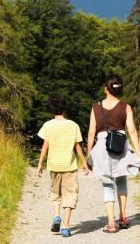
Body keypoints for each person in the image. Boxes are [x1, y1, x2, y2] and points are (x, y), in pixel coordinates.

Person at [85, 74, 140, 233]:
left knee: (107, 183)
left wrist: (88, 155)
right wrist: (138, 155)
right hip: (120, 144)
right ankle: (123, 217)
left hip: (103, 147)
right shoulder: (125, 107)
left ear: (106, 89)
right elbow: (131, 131)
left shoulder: (96, 107)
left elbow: (91, 133)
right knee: (121, 180)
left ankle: (111, 223)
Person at [37, 97, 88, 237]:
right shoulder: (73, 125)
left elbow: (45, 146)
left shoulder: (48, 125)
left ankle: (56, 215)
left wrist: (40, 163)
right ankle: (65, 226)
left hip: (54, 165)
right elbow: (77, 147)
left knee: (55, 193)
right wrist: (84, 163)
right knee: (70, 195)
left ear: (51, 109)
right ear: (64, 109)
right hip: (69, 166)